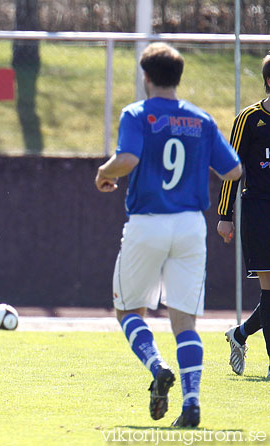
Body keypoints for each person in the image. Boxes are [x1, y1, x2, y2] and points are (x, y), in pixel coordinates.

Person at [95, 42, 242, 427]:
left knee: (128, 310)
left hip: (148, 221)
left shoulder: (137, 113)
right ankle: (191, 404)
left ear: (146, 76)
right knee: (185, 323)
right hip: (191, 225)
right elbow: (233, 171)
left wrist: (104, 173)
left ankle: (157, 366)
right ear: (178, 77)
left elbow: (127, 159)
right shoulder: (202, 119)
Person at [218, 53, 270, 380]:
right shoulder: (249, 119)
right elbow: (232, 169)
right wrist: (225, 214)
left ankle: (240, 334)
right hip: (259, 210)